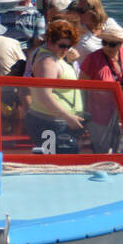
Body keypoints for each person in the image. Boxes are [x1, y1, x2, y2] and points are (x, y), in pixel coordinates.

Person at [23, 20, 85, 152]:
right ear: (50, 41)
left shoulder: (55, 57)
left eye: (69, 47)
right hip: (50, 123)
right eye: (62, 46)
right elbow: (44, 96)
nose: (65, 50)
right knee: (60, 163)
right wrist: (68, 118)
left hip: (54, 122)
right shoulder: (48, 62)